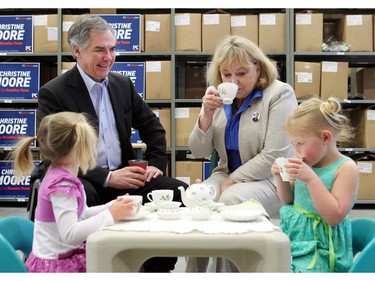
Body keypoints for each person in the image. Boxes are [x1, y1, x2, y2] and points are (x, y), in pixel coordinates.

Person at [32, 14, 188, 272]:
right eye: (100, 50)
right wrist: (107, 177)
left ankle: (156, 268)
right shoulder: (54, 92)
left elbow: (153, 128)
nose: (109, 57)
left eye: (113, 49)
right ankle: (102, 267)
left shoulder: (122, 84)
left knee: (176, 192)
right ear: (76, 51)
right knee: (87, 195)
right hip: (86, 179)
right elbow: (53, 151)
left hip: (128, 175)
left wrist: (156, 164)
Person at [187, 35, 298, 272]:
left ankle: (226, 274)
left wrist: (231, 182)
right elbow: (198, 150)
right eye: (227, 75)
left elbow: (274, 154)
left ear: (257, 69)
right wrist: (205, 115)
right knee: (195, 199)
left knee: (230, 201)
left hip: (273, 179)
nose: (234, 81)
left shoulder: (279, 94)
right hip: (227, 173)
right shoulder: (217, 99)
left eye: (241, 73)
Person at [10, 111, 136, 272]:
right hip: (57, 267)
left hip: (59, 259)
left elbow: (82, 213)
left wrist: (112, 206)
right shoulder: (63, 185)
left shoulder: (61, 175)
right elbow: (70, 234)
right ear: (79, 148)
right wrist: (111, 214)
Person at [271, 97, 359, 272]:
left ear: (325, 137)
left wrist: (311, 179)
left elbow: (334, 216)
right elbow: (289, 201)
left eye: (301, 143)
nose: (296, 150)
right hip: (297, 238)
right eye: (293, 144)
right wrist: (280, 177)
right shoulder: (309, 163)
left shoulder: (346, 168)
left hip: (323, 250)